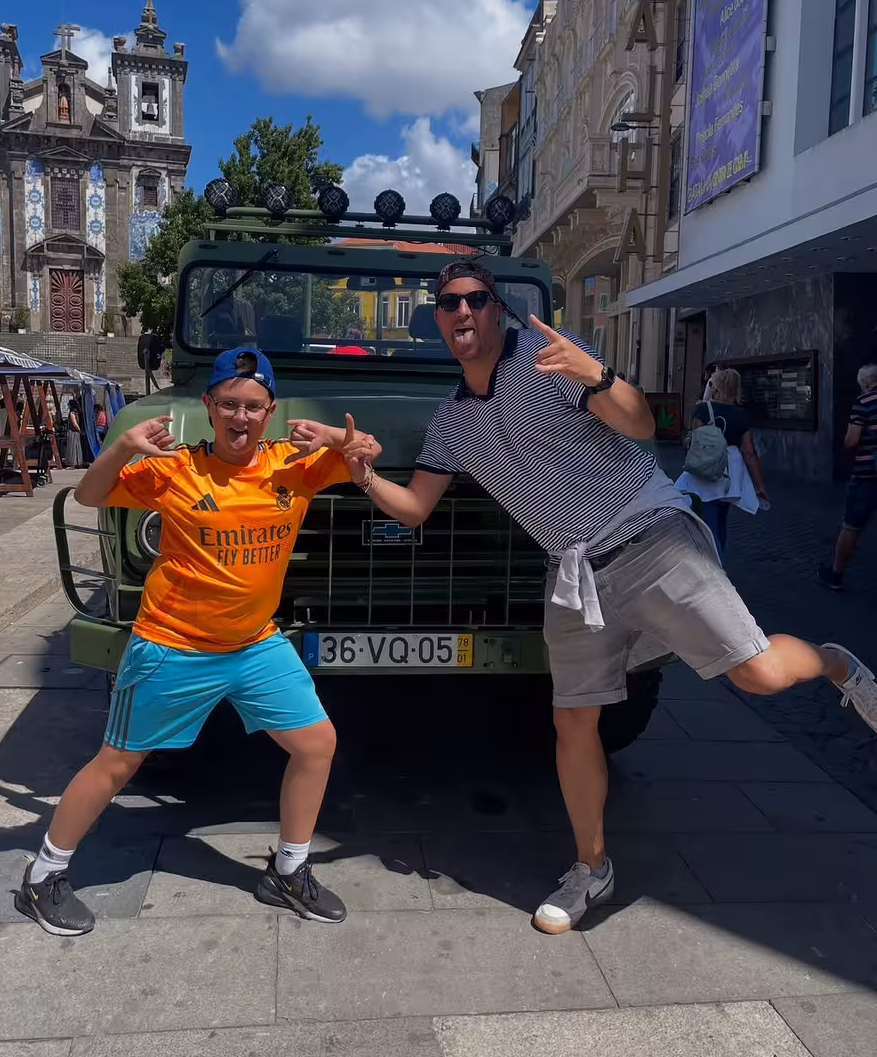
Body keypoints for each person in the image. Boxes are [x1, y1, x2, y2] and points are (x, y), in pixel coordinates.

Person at [290, 258, 877, 936]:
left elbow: (641, 426)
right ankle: (591, 868)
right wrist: (358, 471)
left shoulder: (546, 358)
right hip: (572, 572)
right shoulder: (451, 422)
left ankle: (838, 663)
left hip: (649, 534)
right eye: (448, 303)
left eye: (475, 298)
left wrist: (597, 375)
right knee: (573, 722)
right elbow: (417, 507)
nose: (462, 312)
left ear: (495, 307)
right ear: (438, 321)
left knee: (761, 674)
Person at [15, 346, 380, 936]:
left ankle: (288, 871)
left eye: (254, 407)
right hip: (172, 645)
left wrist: (344, 442)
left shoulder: (293, 465)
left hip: (255, 644)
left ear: (270, 412)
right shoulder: (174, 468)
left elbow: (366, 456)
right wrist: (123, 446)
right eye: (229, 404)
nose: (241, 417)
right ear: (209, 406)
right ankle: (42, 878)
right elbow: (89, 495)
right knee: (118, 762)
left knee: (316, 744)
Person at [675, 367, 768, 558]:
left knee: (709, 521)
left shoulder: (702, 409)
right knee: (720, 519)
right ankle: (718, 558)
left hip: (704, 471)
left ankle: (716, 564)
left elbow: (694, 440)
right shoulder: (740, 415)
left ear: (715, 387)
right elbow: (749, 452)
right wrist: (759, 485)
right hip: (729, 474)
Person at [818, 363, 877, 590]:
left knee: (851, 525)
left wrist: (845, 448)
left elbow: (852, 440)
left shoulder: (863, 403)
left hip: (867, 475)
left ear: (866, 382)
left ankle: (836, 574)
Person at [64, 399, 83, 469]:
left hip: (72, 432)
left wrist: (79, 429)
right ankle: (78, 462)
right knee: (77, 447)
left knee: (72, 448)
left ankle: (72, 464)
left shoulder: (72, 413)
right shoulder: (77, 412)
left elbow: (74, 423)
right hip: (76, 432)